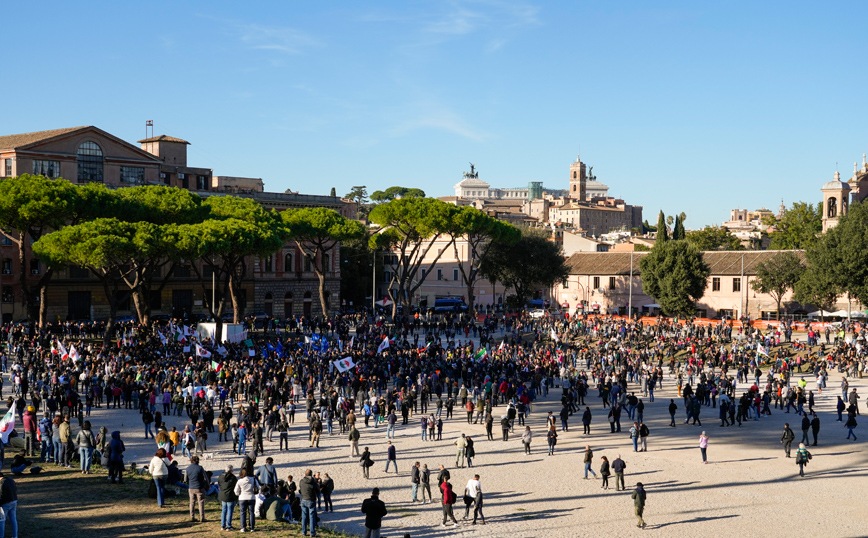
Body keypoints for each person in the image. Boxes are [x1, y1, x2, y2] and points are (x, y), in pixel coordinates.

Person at [234, 467, 259, 533]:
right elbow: (258, 487)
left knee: (242, 513)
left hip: (242, 497)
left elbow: (236, 491)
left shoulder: (240, 481)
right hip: (251, 497)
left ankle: (243, 527)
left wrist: (239, 494)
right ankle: (252, 527)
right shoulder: (253, 479)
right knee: (251, 513)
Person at [186, 455, 209, 523]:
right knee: (201, 502)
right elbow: (206, 478)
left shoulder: (187, 468)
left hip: (191, 487)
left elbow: (185, 479)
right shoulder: (200, 468)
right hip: (199, 487)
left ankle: (192, 516)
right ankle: (202, 517)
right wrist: (208, 485)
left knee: (192, 502)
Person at [299, 469, 320, 537]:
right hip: (311, 500)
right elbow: (317, 490)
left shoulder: (301, 481)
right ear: (311, 475)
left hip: (304, 499)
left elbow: (300, 489)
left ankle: (303, 532)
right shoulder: (313, 482)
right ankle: (312, 533)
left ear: (305, 474)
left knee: (304, 516)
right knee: (312, 517)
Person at [218, 465, 239, 531]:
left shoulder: (221, 476)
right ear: (231, 471)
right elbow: (236, 486)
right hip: (230, 496)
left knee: (224, 510)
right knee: (230, 511)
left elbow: (219, 484)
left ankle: (222, 525)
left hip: (223, 495)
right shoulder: (233, 478)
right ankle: (228, 526)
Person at [0, 472, 17, 538]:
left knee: (1, 521)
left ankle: (1, 536)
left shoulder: (2, 482)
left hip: (5, 504)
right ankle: (15, 536)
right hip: (14, 500)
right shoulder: (11, 480)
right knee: (13, 519)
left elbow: (2, 495)